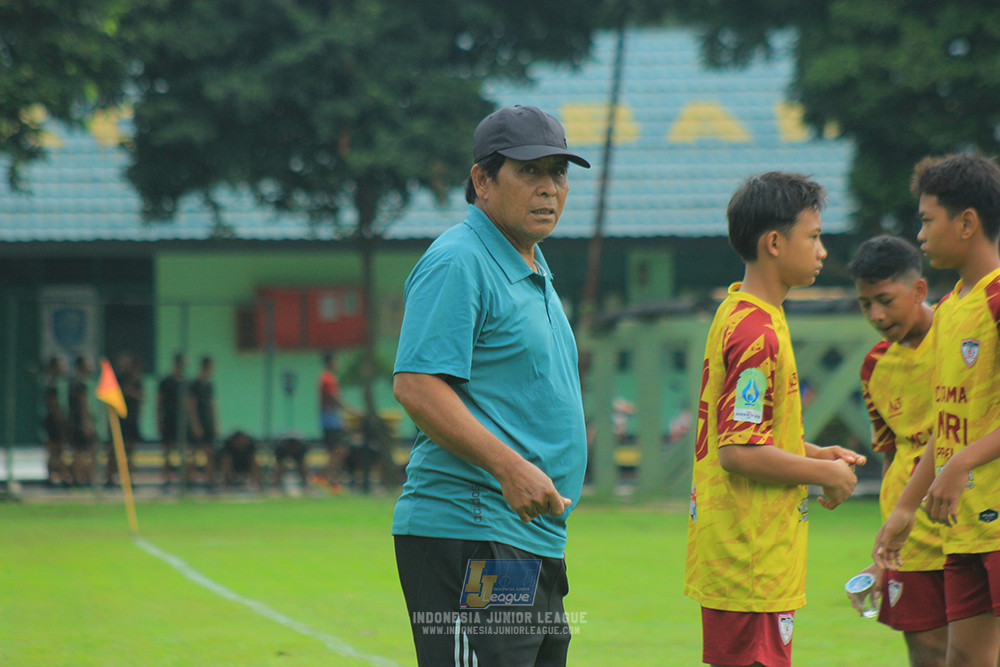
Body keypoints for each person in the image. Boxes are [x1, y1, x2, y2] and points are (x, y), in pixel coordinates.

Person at [391, 105, 591, 667]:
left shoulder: (530, 264)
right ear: (482, 179)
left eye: (559, 172)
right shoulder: (460, 259)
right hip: (474, 529)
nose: (549, 189)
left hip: (529, 539)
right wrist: (510, 467)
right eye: (530, 172)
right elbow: (416, 386)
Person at [684, 171, 865, 667]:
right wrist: (826, 474)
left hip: (748, 558)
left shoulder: (740, 312)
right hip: (749, 560)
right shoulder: (756, 333)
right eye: (813, 236)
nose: (822, 250)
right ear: (774, 243)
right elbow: (738, 452)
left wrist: (813, 452)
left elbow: (749, 430)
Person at [874, 153, 1000, 667]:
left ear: (967, 222)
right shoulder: (950, 309)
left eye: (927, 220)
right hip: (962, 527)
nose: (919, 235)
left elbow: (959, 449)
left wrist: (964, 462)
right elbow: (948, 427)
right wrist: (905, 506)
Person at [848, 235, 946, 667]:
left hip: (972, 517)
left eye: (885, 300)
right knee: (924, 650)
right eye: (866, 304)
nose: (877, 315)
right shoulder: (874, 365)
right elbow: (891, 455)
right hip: (912, 534)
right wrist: (884, 549)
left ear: (919, 290)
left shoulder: (962, 332)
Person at [105, 352, 144, 487]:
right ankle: (110, 477)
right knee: (113, 449)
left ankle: (129, 478)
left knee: (130, 450)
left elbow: (140, 397)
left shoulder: (136, 379)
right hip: (117, 418)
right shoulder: (116, 379)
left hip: (130, 417)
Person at [318, 352, 353, 491]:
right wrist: (350, 410)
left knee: (338, 451)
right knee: (338, 451)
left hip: (332, 419)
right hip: (329, 420)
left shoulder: (328, 378)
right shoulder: (327, 379)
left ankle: (331, 480)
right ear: (331, 361)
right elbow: (334, 398)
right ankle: (324, 478)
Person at [185, 355, 217, 488]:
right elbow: (191, 405)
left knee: (209, 451)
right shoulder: (194, 384)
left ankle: (209, 480)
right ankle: (190, 479)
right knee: (193, 451)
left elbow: (212, 405)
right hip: (198, 422)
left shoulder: (209, 385)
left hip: (207, 421)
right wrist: (195, 424)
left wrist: (215, 423)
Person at [157, 353, 186, 488]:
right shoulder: (166, 382)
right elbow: (159, 402)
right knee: (168, 448)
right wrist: (158, 420)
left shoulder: (185, 382)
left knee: (184, 449)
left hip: (182, 419)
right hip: (169, 417)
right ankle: (166, 476)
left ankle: (183, 476)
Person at [67, 355, 96, 486]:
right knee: (85, 451)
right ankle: (83, 478)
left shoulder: (72, 382)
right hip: (80, 422)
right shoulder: (80, 384)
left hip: (73, 421)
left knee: (77, 451)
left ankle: (77, 478)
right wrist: (86, 422)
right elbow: (82, 405)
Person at [41, 355, 69, 487]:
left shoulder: (59, 382)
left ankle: (59, 473)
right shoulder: (51, 383)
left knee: (59, 449)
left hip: (56, 419)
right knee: (54, 449)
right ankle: (51, 475)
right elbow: (52, 405)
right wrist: (59, 420)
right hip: (53, 421)